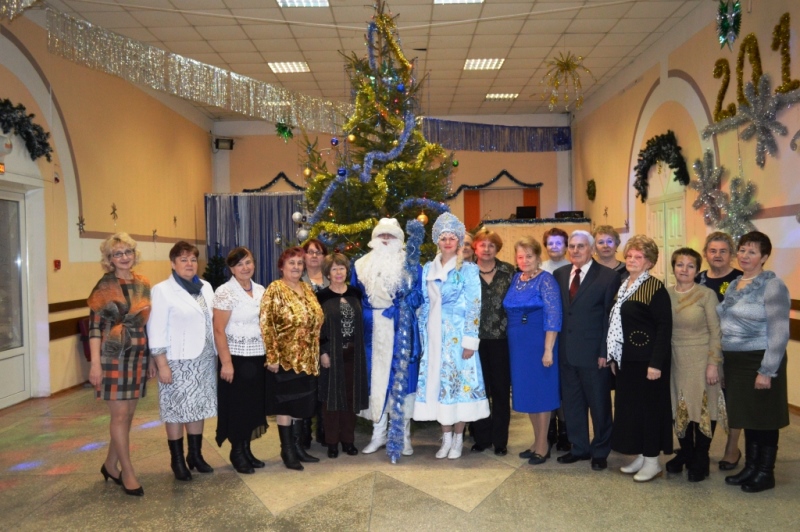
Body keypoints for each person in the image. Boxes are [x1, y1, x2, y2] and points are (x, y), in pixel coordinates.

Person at [718, 231, 790, 493]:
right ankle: (751, 466)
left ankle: (765, 472)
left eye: (752, 251)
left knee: (765, 417)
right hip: (736, 363)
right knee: (748, 416)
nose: (745, 255)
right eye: (742, 250)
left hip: (760, 360)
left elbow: (779, 332)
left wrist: (767, 370)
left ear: (764, 257)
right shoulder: (735, 284)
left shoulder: (773, 285)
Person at [414, 212, 489, 459]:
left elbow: (474, 306)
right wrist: (423, 337)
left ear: (458, 241)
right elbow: (425, 304)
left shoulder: (468, 270)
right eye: (443, 238)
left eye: (452, 238)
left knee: (458, 387)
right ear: (437, 240)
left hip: (457, 337)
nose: (447, 242)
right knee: (438, 386)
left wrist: (470, 341)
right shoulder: (428, 268)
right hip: (434, 337)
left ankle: (458, 439)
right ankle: (445, 438)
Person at [88, 233, 153, 496]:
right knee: (119, 415)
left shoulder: (143, 283)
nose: (124, 257)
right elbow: (95, 328)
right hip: (112, 355)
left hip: (138, 353)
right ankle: (127, 472)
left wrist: (151, 357)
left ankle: (109, 464)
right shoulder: (104, 286)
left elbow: (147, 324)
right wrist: (95, 364)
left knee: (129, 415)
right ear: (109, 259)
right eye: (118, 254)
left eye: (128, 252)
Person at [352, 218, 421, 459]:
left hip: (401, 327)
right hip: (372, 330)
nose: (385, 239)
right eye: (382, 235)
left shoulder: (411, 264)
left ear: (399, 239)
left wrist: (404, 304)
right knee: (376, 380)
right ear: (374, 238)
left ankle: (402, 434)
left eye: (390, 236)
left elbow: (419, 296)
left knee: (403, 380)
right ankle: (378, 432)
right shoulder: (360, 265)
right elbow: (354, 298)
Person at [149, 241, 217, 482]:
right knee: (176, 411)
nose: (189, 264)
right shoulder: (162, 290)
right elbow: (155, 329)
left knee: (197, 408)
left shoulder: (205, 287)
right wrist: (161, 364)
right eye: (183, 260)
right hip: (177, 361)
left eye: (193, 259)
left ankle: (195, 455)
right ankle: (177, 460)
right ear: (173, 263)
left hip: (204, 359)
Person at [607, 235, 673, 482]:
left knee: (649, 410)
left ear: (649, 262)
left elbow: (664, 327)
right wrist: (614, 357)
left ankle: (653, 460)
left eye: (639, 256)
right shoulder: (624, 285)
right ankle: (643, 455)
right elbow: (617, 324)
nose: (632, 260)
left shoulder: (655, 288)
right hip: (628, 359)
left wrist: (656, 363)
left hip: (648, 361)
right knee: (632, 410)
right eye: (630, 255)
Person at [553, 230, 620, 471]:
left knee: (599, 405)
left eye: (581, 246)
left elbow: (609, 317)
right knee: (572, 404)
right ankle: (579, 447)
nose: (575, 250)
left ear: (591, 249)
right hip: (566, 351)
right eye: (572, 246)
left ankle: (600, 451)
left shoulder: (608, 276)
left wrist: (605, 351)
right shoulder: (560, 274)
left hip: (594, 354)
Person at [260, 246, 324, 470]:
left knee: (300, 405)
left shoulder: (306, 288)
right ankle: (287, 450)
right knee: (286, 406)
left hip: (308, 359)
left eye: (299, 263)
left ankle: (298, 448)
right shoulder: (274, 289)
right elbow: (267, 324)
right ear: (282, 267)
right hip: (285, 359)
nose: (296, 267)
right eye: (291, 263)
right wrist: (272, 356)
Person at [665, 247, 726, 482]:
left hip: (702, 359)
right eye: (680, 264)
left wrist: (713, 363)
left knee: (702, 408)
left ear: (697, 270)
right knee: (679, 407)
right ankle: (686, 453)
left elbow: (716, 331)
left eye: (690, 266)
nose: (684, 269)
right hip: (675, 359)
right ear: (673, 268)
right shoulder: (665, 294)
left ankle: (701, 456)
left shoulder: (706, 295)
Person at [504, 237, 562, 464]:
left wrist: (548, 350)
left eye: (529, 256)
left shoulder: (546, 280)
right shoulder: (516, 278)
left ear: (538, 257)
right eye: (520, 256)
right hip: (518, 345)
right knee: (527, 393)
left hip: (539, 342)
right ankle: (536, 441)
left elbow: (553, 316)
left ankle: (543, 445)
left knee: (541, 393)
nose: (524, 260)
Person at [212, 247, 268, 475]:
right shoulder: (225, 292)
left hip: (257, 357)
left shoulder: (261, 290)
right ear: (232, 269)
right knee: (237, 406)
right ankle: (236, 452)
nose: (245, 267)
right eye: (240, 264)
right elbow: (218, 330)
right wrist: (226, 363)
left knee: (252, 405)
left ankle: (246, 449)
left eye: (248, 262)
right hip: (235, 358)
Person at [696, 231, 743, 470]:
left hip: (734, 349)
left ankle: (732, 448)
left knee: (733, 401)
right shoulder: (698, 278)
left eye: (723, 251)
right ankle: (700, 446)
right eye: (713, 250)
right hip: (703, 349)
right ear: (705, 254)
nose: (717, 255)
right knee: (707, 399)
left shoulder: (740, 279)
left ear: (731, 254)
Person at [317, 253, 369, 458]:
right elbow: (316, 328)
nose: (338, 272)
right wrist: (323, 352)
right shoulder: (321, 296)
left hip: (354, 354)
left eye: (342, 268)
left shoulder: (356, 293)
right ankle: (331, 442)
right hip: (331, 354)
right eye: (334, 269)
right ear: (327, 273)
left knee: (350, 397)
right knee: (331, 398)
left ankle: (348, 440)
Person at [470, 229, 515, 456]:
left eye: (491, 245)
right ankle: (481, 438)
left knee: (500, 391)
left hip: (502, 340)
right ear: (475, 247)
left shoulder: (509, 271)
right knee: (478, 390)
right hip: (473, 342)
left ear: (497, 248)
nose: (487, 249)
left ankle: (500, 441)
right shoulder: (466, 272)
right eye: (482, 244)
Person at [540, 226, 571, 450]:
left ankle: (565, 430)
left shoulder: (572, 268)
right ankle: (549, 429)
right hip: (544, 331)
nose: (554, 246)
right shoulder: (540, 268)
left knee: (564, 383)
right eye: (550, 243)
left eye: (558, 243)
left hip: (566, 332)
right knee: (548, 381)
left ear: (566, 246)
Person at [300, 238, 329, 448]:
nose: (314, 256)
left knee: (324, 386)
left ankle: (323, 429)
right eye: (310, 252)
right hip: (304, 344)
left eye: (318, 252)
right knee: (306, 388)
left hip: (328, 342)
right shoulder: (296, 281)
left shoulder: (332, 279)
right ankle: (303, 434)